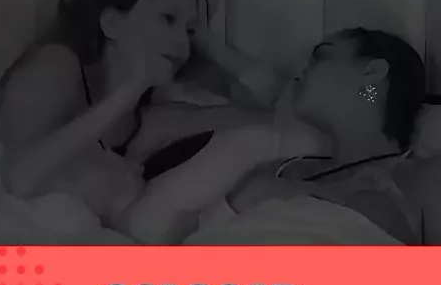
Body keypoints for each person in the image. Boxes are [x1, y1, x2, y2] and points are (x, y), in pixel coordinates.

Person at [0, 0, 280, 227]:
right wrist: (128, 90)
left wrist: (213, 46)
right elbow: (19, 179)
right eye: (167, 18)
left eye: (189, 32)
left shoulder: (152, 120)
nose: (182, 44)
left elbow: (277, 116)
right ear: (112, 23)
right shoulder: (57, 66)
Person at [166, 28, 428, 246]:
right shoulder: (276, 171)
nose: (300, 70)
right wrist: (238, 201)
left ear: (372, 73)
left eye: (320, 56)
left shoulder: (417, 180)